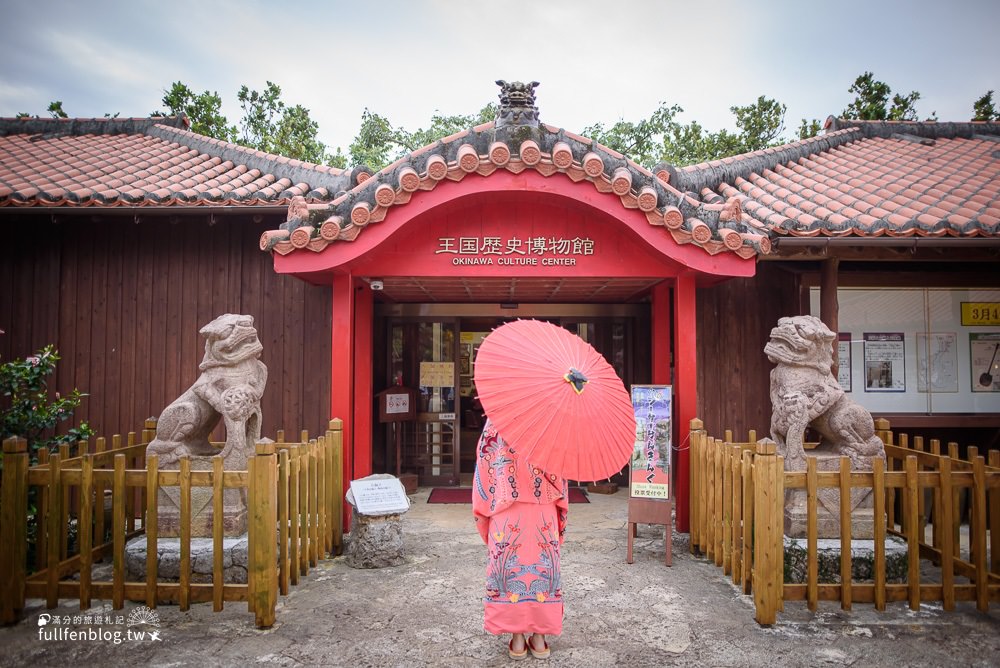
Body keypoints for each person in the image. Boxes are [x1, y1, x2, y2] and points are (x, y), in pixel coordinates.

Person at [472, 418, 569, 660]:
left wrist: (486, 507)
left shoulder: (496, 421)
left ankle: (517, 641)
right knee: (542, 571)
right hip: (542, 508)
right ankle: (539, 638)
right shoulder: (549, 422)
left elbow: (484, 464)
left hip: (506, 508)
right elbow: (561, 470)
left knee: (509, 570)